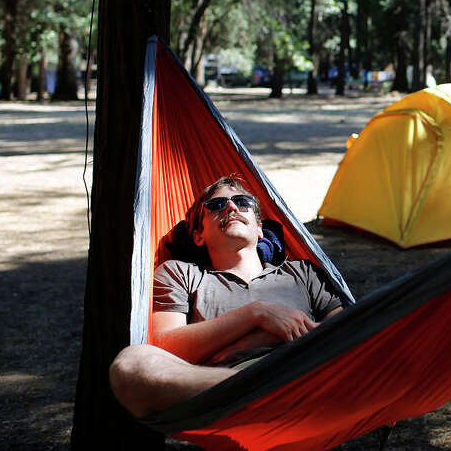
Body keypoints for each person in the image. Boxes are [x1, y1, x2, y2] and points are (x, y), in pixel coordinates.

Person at [109, 176, 344, 418]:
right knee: (130, 365)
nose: (231, 207)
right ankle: (265, 392)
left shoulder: (302, 272)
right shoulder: (180, 273)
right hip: (226, 391)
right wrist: (256, 313)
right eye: (216, 206)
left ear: (260, 228)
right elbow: (166, 347)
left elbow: (347, 331)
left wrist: (249, 343)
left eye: (243, 202)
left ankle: (271, 392)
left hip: (303, 371)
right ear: (199, 235)